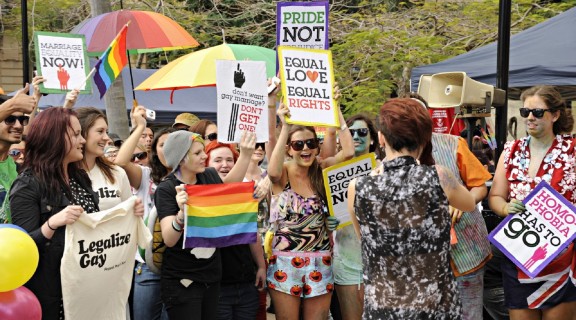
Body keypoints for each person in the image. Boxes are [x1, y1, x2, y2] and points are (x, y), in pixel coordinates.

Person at [347, 98, 476, 319]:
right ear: (423, 139)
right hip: (435, 305)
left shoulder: (358, 186)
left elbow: (364, 238)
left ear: (381, 138)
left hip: (383, 306)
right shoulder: (439, 176)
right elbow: (469, 203)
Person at [489, 85, 576, 319]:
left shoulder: (573, 150)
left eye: (537, 112)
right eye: (525, 112)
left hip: (562, 260)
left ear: (555, 115)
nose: (529, 117)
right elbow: (495, 197)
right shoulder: (510, 150)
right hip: (520, 257)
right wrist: (505, 208)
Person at [154, 130, 255, 319]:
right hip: (183, 281)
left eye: (203, 151)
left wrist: (246, 155)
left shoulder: (208, 175)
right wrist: (182, 215)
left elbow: (228, 190)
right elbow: (168, 238)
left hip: (212, 277)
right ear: (182, 159)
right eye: (198, 153)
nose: (205, 156)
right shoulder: (166, 189)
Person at [266, 103, 353, 320]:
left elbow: (349, 152)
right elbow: (273, 172)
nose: (305, 149)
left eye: (310, 143)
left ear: (317, 146)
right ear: (288, 148)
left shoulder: (322, 169)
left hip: (320, 258)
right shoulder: (283, 172)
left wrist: (336, 109)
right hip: (286, 259)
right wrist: (284, 126)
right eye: (298, 145)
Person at [10, 107, 97, 319]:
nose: (83, 140)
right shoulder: (27, 185)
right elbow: (21, 250)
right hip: (51, 295)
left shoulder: (80, 179)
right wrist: (52, 224)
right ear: (54, 138)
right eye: (76, 134)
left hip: (85, 287)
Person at [115, 106, 174, 320]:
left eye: (173, 144)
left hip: (182, 266)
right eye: (162, 144)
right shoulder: (146, 175)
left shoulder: (195, 178)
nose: (168, 148)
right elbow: (121, 163)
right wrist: (139, 127)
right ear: (154, 151)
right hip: (148, 266)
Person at [203, 140, 267, 320]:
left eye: (230, 160)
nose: (225, 165)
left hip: (246, 283)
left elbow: (251, 232)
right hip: (216, 286)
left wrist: (261, 266)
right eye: (218, 160)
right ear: (206, 163)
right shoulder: (198, 193)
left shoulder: (244, 194)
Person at [331, 114, 380, 320]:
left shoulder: (385, 170)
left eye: (362, 132)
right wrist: (328, 222)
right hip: (346, 261)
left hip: (380, 262)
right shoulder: (333, 171)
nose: (356, 137)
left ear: (372, 139)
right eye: (351, 132)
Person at [0, 82, 37, 223]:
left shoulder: (19, 170)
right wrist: (12, 105)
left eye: (22, 120)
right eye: (9, 119)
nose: (18, 125)